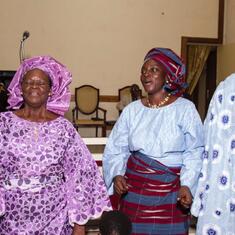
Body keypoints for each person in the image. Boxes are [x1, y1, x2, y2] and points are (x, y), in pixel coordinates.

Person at [0, 56, 112, 235]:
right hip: (13, 219)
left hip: (55, 219)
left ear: (51, 90)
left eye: (41, 83)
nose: (34, 86)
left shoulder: (64, 128)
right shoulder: (3, 123)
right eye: (29, 82)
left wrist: (79, 224)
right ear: (20, 88)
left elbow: (80, 173)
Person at [103, 47, 204, 234]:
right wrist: (117, 174)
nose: (146, 75)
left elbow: (195, 151)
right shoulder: (132, 110)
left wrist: (187, 184)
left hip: (172, 193)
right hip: (135, 190)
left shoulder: (185, 109)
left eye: (154, 70)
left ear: (167, 76)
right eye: (143, 71)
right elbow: (117, 147)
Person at [191, 74, 235, 234]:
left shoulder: (226, 88)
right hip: (223, 182)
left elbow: (210, 147)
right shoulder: (227, 89)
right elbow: (212, 146)